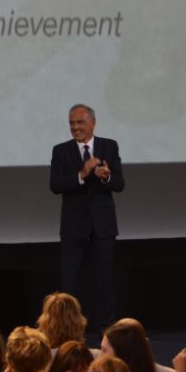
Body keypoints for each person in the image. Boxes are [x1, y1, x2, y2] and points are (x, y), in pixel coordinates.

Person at [50, 104, 125, 329]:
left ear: (93, 122)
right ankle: (68, 329)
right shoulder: (60, 150)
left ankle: (107, 329)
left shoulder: (109, 146)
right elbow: (55, 185)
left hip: (103, 225)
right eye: (72, 123)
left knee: (105, 280)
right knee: (70, 282)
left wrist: (106, 176)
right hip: (74, 225)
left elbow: (120, 184)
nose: (75, 128)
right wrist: (82, 174)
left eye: (80, 122)